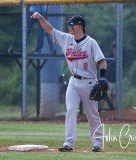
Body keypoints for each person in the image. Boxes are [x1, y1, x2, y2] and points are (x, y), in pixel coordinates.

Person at [31, 12, 106, 152]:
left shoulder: (90, 42)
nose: (69, 27)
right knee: (71, 110)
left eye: (71, 24)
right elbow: (50, 29)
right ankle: (69, 143)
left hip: (89, 82)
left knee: (92, 114)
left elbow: (102, 61)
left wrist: (102, 78)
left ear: (80, 26)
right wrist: (41, 19)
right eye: (69, 25)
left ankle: (98, 143)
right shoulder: (66, 39)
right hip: (73, 81)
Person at [105, 41, 117, 108]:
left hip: (115, 79)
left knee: (113, 95)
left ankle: (112, 110)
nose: (114, 48)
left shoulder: (119, 56)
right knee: (105, 96)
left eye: (115, 47)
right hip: (108, 79)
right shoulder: (108, 56)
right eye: (113, 47)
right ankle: (102, 110)